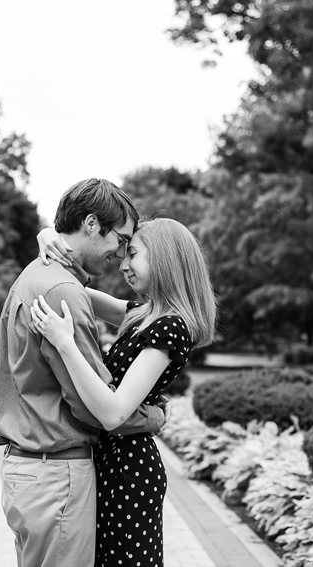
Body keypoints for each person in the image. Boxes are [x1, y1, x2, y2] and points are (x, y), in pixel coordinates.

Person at [0, 178, 168, 567]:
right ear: (90, 223)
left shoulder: (39, 274)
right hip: (56, 477)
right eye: (120, 240)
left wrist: (47, 236)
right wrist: (152, 417)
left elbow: (128, 312)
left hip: (28, 473)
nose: (120, 255)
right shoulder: (63, 292)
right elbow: (94, 406)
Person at [32, 217, 217, 567]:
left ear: (164, 260)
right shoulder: (143, 314)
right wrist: (49, 240)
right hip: (109, 460)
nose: (124, 264)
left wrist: (65, 343)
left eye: (133, 254)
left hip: (128, 470)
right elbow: (70, 289)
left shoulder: (171, 326)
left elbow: (114, 413)